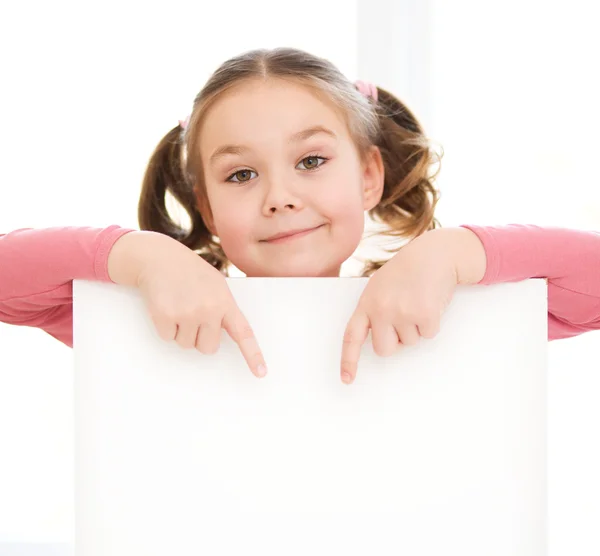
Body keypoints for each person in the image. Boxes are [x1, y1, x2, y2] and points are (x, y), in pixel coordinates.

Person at [1, 48, 599, 386]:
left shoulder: (444, 316)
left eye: (310, 160)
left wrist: (458, 251)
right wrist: (134, 254)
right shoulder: (149, 322)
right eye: (241, 175)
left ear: (369, 176)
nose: (279, 197)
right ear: (205, 207)